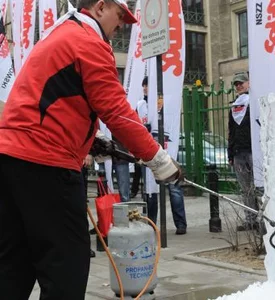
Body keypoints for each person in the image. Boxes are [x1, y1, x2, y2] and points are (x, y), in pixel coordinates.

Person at [0, 1, 181, 300]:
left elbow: (53, 98)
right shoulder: (88, 41)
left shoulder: (60, 34)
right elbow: (116, 110)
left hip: (10, 158)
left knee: (13, 264)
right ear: (100, 7)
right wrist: (159, 159)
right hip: (47, 164)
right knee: (66, 267)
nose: (122, 24)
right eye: (120, 15)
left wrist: (90, 138)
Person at [136, 76, 187, 234]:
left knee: (174, 187)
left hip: (166, 148)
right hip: (149, 152)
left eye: (148, 85)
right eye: (144, 85)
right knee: (150, 190)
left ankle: (180, 224)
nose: (145, 88)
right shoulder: (141, 105)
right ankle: (152, 223)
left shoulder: (164, 102)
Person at [228, 72, 262, 231]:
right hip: (238, 153)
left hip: (253, 151)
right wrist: (230, 154)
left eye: (241, 82)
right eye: (236, 84)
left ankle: (263, 219)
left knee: (259, 187)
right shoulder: (234, 106)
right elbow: (231, 132)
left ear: (249, 83)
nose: (239, 86)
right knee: (245, 189)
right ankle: (250, 220)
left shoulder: (254, 102)